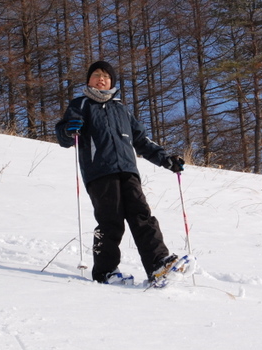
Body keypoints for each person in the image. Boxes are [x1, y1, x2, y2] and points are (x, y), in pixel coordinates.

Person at [55, 60, 185, 284]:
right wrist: (68, 130)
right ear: (89, 80)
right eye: (96, 75)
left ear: (111, 82)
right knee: (110, 220)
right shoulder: (81, 104)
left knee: (142, 216)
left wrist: (167, 160)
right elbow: (63, 135)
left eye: (106, 76)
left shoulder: (121, 108)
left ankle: (158, 265)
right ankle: (105, 272)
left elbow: (142, 141)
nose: (101, 79)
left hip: (128, 170)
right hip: (100, 172)